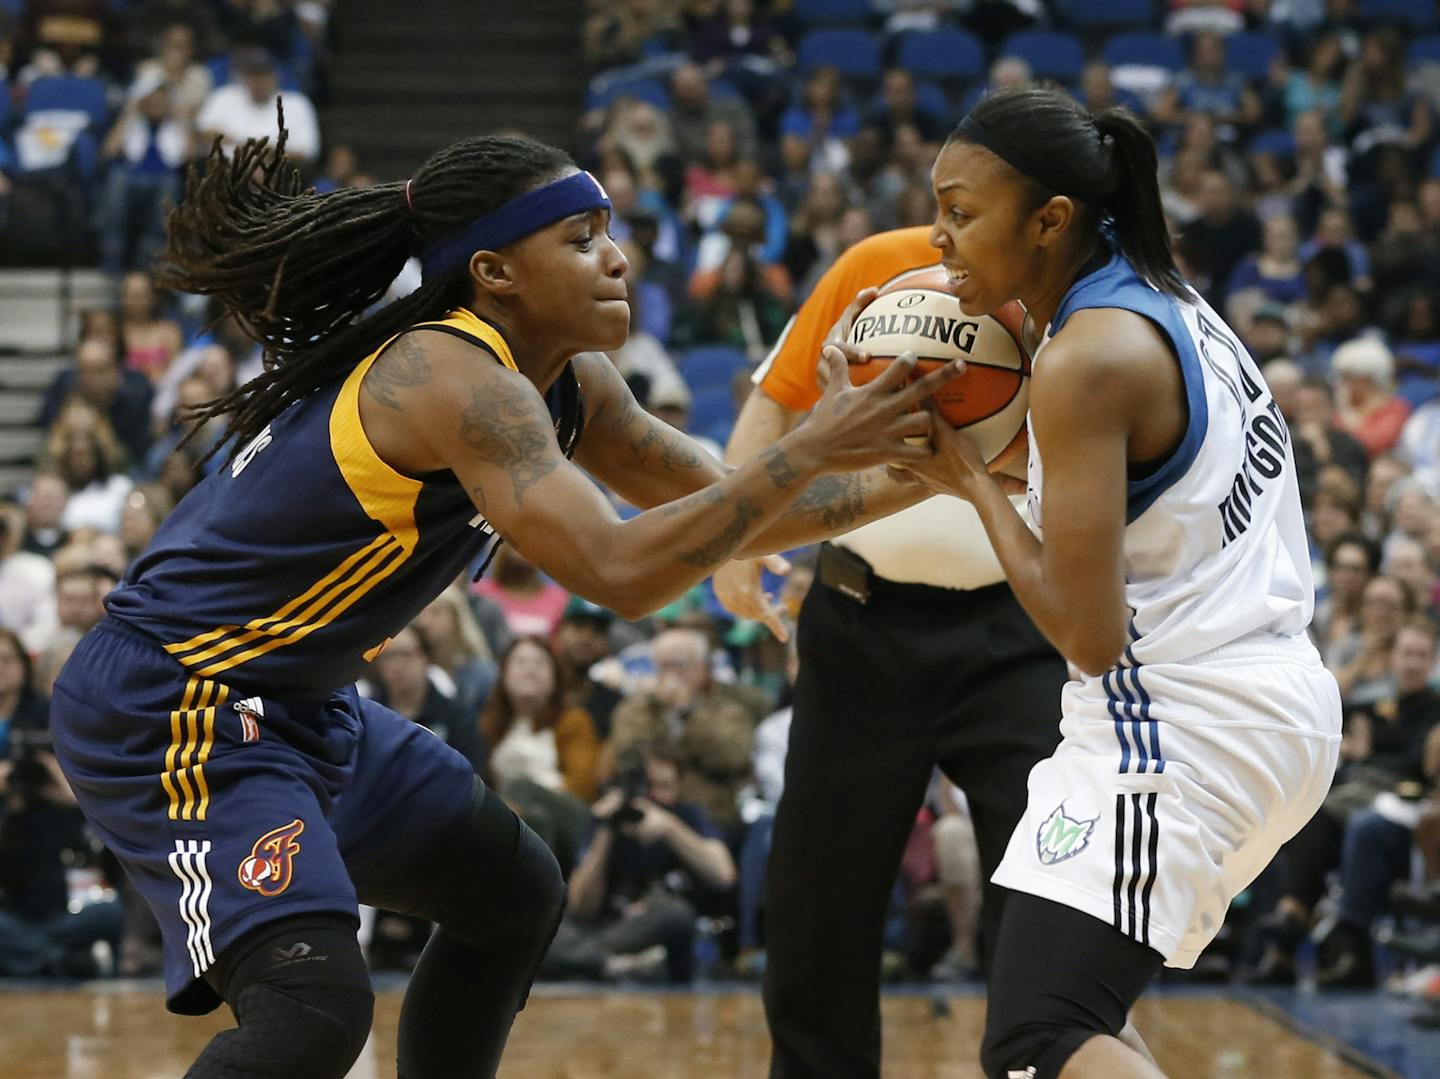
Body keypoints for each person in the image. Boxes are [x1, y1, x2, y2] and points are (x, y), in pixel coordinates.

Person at [48, 128, 963, 1079]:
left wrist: (943, 475)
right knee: (312, 1011)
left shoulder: (568, 381)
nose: (618, 256)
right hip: (174, 704)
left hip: (298, 705)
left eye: (610, 230)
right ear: (494, 270)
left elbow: (733, 500)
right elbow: (620, 571)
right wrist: (811, 445)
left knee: (512, 892)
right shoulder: (446, 375)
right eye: (579, 238)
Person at [887, 88, 1341, 1079]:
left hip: (1176, 720)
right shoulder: (1163, 298)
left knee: (1036, 1040)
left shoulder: (1088, 357)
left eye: (962, 211)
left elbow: (1088, 637)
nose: (938, 233)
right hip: (1261, 699)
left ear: (1050, 219)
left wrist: (965, 476)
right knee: (1075, 1014)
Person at [715, 219, 1068, 1078]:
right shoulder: (875, 262)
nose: (958, 215)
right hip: (860, 620)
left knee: (1046, 892)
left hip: (1021, 633)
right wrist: (733, 539)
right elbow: (776, 392)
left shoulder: (1072, 286)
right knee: (815, 905)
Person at [542, 742, 736, 983]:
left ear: (679, 787)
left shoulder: (687, 816)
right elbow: (580, 906)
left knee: (677, 915)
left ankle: (585, 961)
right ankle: (606, 963)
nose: (654, 796)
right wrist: (606, 832)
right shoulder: (607, 821)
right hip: (609, 930)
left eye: (665, 787)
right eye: (649, 786)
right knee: (540, 927)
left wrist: (669, 827)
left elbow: (724, 875)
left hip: (657, 928)